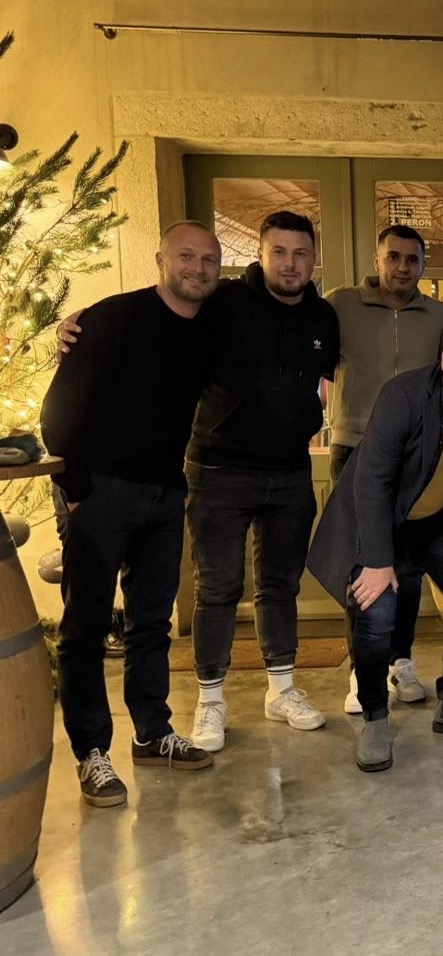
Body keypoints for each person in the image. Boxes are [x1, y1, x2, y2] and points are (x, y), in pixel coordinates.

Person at [40, 221, 221, 807]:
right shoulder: (112, 319)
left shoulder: (210, 326)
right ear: (161, 261)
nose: (198, 268)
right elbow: (57, 411)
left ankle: (152, 733)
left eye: (209, 260)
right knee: (86, 626)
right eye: (186, 256)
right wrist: (75, 491)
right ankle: (92, 752)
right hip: (101, 493)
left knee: (151, 623)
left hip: (165, 493)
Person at [306, 326, 443, 772]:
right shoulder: (404, 394)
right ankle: (375, 718)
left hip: (433, 526)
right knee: (377, 610)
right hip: (377, 522)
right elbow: (372, 479)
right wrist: (378, 561)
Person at [185, 210, 339, 751]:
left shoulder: (323, 317)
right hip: (219, 468)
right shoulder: (222, 302)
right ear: (261, 253)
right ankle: (210, 701)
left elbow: (327, 381)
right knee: (218, 587)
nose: (290, 264)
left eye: (300, 253)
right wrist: (80, 322)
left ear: (313, 258)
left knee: (280, 585)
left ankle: (281, 690)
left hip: (290, 469)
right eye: (280, 252)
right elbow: (160, 318)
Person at [326, 224, 443, 715]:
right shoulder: (340, 305)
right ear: (377, 259)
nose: (402, 267)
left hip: (416, 457)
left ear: (422, 265)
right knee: (361, 565)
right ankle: (363, 672)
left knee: (409, 568)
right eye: (393, 257)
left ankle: (401, 661)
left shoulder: (438, 315)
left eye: (412, 259)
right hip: (355, 448)